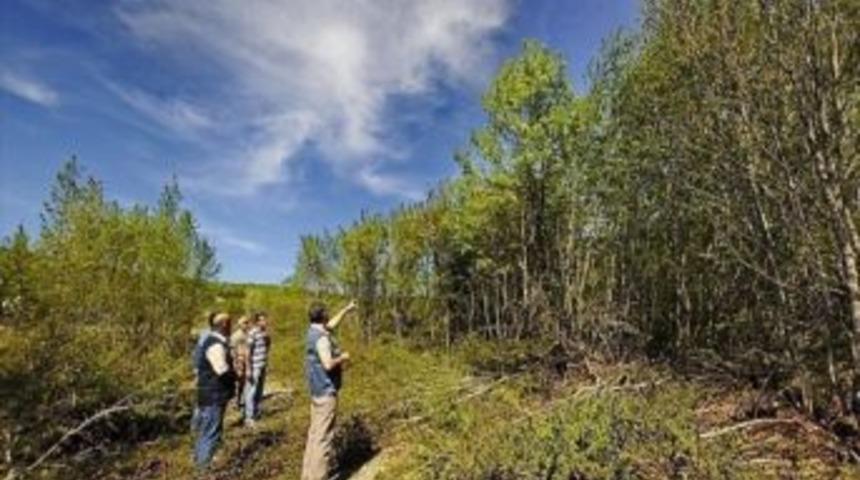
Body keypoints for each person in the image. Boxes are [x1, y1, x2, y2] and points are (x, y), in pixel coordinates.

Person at [301, 300, 357, 480]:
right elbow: (328, 364)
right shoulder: (322, 338)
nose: (328, 317)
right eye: (327, 313)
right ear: (323, 316)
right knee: (324, 438)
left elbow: (331, 324)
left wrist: (346, 310)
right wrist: (342, 357)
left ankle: (308, 475)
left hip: (316, 391)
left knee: (315, 434)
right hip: (326, 392)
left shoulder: (313, 332)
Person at [194, 312, 237, 469]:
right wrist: (236, 376)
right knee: (211, 432)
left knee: (208, 431)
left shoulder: (215, 342)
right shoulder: (215, 344)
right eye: (230, 322)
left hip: (211, 394)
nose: (232, 326)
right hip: (213, 395)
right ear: (224, 324)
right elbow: (222, 370)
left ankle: (202, 464)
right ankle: (202, 469)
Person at [244, 311, 271, 426]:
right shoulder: (253, 333)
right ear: (257, 322)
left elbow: (267, 347)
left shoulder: (264, 333)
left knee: (259, 391)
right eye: (263, 320)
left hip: (262, 365)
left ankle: (255, 412)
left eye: (265, 319)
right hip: (254, 366)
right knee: (252, 391)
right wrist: (248, 369)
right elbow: (247, 352)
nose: (265, 322)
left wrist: (268, 339)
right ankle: (249, 417)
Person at [191, 312, 217, 433]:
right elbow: (198, 353)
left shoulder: (214, 334)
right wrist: (196, 370)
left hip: (212, 374)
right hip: (205, 373)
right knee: (202, 401)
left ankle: (202, 426)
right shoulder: (206, 335)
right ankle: (196, 427)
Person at [230, 315, 251, 412]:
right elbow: (232, 350)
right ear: (240, 324)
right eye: (244, 323)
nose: (247, 325)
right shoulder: (236, 336)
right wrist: (235, 363)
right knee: (237, 383)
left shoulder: (247, 334)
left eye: (247, 322)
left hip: (246, 361)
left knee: (243, 383)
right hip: (239, 362)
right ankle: (235, 402)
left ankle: (240, 400)